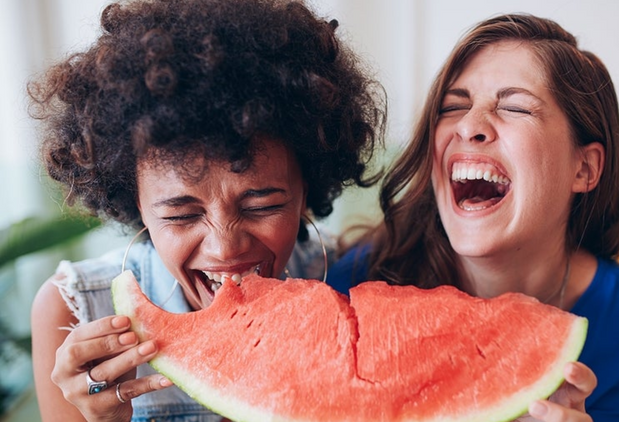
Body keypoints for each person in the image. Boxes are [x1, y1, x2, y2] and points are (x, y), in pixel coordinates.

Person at [28, 0, 385, 420]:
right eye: (180, 215)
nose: (224, 248)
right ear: (136, 203)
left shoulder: (348, 288)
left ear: (305, 191)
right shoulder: (74, 307)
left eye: (262, 205)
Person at [328, 13, 619, 422]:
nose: (469, 125)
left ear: (583, 168)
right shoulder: (359, 285)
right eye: (453, 107)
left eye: (515, 107)